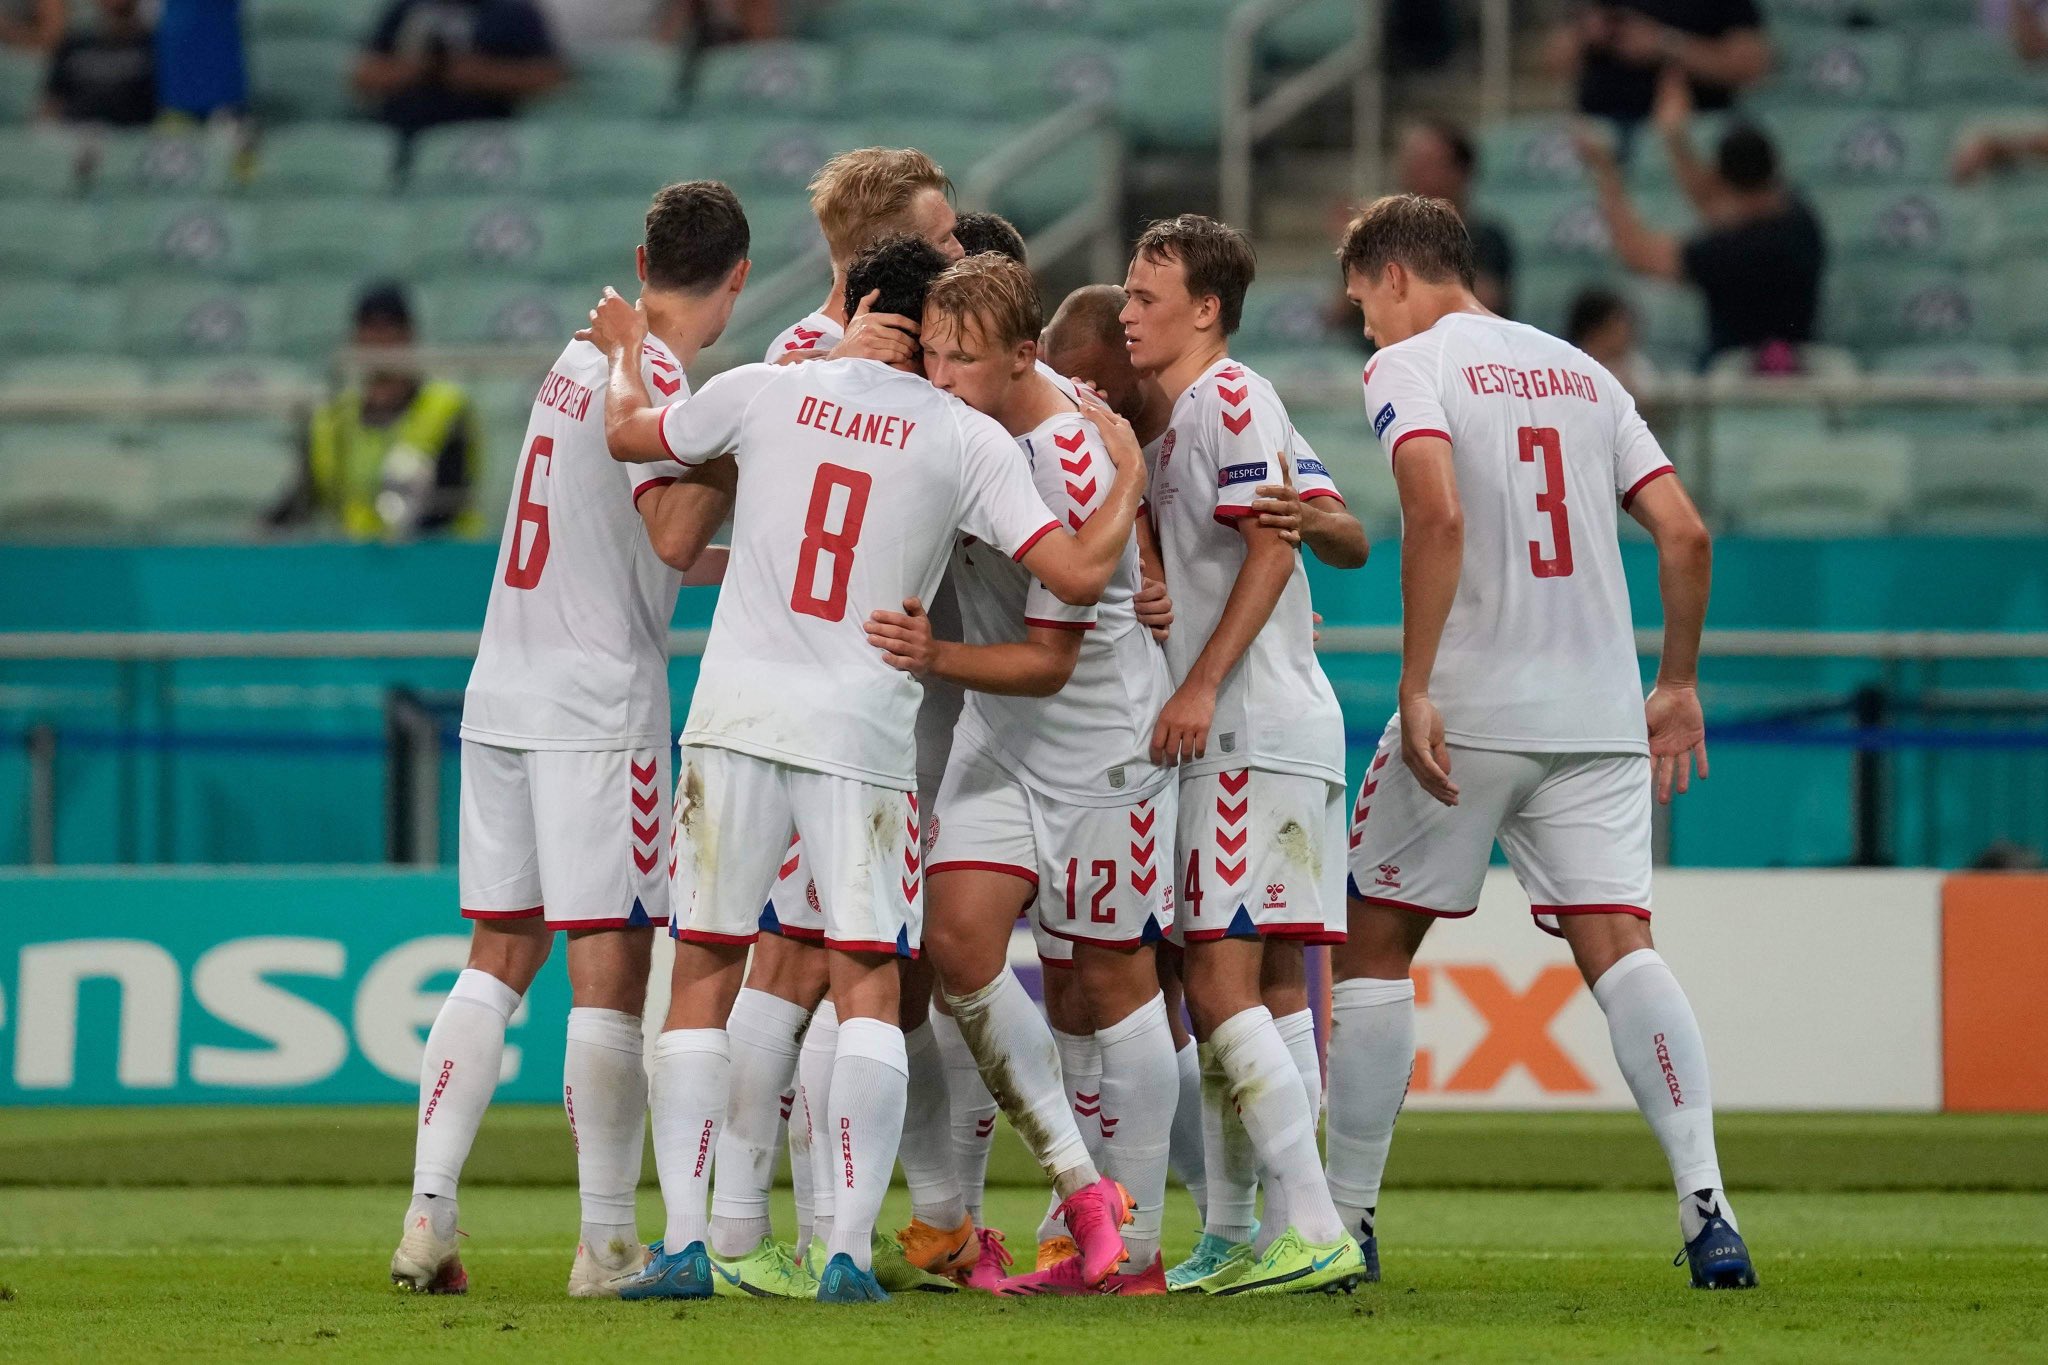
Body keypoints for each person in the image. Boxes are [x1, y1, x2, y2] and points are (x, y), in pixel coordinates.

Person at [586, 231, 1149, 1305]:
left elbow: (626, 433)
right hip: (863, 733)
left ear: (851, 302)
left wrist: (626, 347)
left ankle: (688, 1245)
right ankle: (846, 1252)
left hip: (735, 717)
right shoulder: (961, 435)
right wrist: (1124, 471)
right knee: (867, 980)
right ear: (924, 329)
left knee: (703, 971)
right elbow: (1077, 570)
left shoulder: (765, 388)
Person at [1327, 191, 1756, 1292]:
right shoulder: (1581, 372)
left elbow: (1435, 516)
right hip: (1600, 713)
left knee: (1372, 945)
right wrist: (1674, 684)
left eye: (1360, 304)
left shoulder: (1410, 365)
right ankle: (1708, 1210)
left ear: (1393, 277)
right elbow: (1684, 533)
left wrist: (1414, 684)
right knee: (1621, 948)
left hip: (1471, 707)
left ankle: (1345, 1221)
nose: (1361, 327)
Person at [387, 180, 750, 1300]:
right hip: (599, 709)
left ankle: (427, 1216)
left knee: (496, 957)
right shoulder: (663, 378)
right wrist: (752, 447)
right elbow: (675, 522)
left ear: (642, 253)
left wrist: (772, 577)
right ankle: (604, 1245)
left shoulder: (573, 358)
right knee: (610, 969)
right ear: (735, 281)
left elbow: (655, 550)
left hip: (505, 688)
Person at [861, 253, 1180, 1296]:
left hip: (1097, 751)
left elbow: (1048, 660)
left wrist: (933, 657)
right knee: (955, 947)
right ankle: (1070, 1188)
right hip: (998, 743)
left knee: (1114, 981)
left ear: (1023, 356)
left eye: (962, 360)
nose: (941, 377)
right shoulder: (973, 424)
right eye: (934, 354)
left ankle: (1132, 1256)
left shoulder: (1068, 461)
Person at [703, 145, 965, 1299]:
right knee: (803, 958)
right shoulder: (823, 362)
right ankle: (794, 1230)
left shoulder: (799, 363)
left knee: (802, 955)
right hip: (841, 709)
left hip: (852, 704)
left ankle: (786, 1231)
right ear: (873, 256)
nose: (954, 252)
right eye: (937, 235)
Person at [1120, 214, 1369, 1296]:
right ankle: (1234, 1231)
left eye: (1145, 295)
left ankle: (1311, 1223)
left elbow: (1276, 541)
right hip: (1271, 727)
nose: (1128, 312)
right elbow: (1333, 526)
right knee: (1262, 986)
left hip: (1247, 732)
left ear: (1205, 307)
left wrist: (1200, 680)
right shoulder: (1195, 417)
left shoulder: (1226, 398)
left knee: (1216, 980)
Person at [1580, 72, 1824, 365]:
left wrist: (1604, 169)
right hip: (1803, 364)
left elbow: (1638, 253)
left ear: (1723, 180)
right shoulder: (1798, 215)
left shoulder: (1735, 250)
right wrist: (1675, 138)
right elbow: (1715, 204)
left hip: (1742, 373)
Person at [268, 284, 481, 540]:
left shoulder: (447, 407)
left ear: (410, 336)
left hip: (438, 562)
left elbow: (449, 501)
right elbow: (303, 497)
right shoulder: (331, 420)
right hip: (358, 565)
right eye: (369, 327)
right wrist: (261, 534)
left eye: (391, 327)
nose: (380, 338)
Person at [1548, 0, 1770, 139]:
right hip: (1604, 133)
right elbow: (1553, 64)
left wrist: (1665, 43)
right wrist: (1584, 34)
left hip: (1692, 132)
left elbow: (1750, 68)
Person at [353, 0, 565, 141]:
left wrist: (481, 74)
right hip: (400, 134)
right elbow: (363, 75)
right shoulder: (407, 8)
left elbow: (552, 76)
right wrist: (420, 68)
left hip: (481, 138)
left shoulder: (513, 11)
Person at [1397, 120, 1515, 317]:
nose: (1414, 174)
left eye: (1427, 164)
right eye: (1411, 164)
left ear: (1460, 172)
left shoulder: (1486, 237)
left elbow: (1485, 303)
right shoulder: (1389, 236)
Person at [40, 0, 155, 126]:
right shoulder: (74, 44)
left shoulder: (152, 45)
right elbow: (52, 100)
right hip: (77, 133)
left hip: (135, 134)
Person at [1566, 284, 1656, 396]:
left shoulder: (1635, 365)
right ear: (1594, 330)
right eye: (1617, 326)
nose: (1627, 333)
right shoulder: (1569, 368)